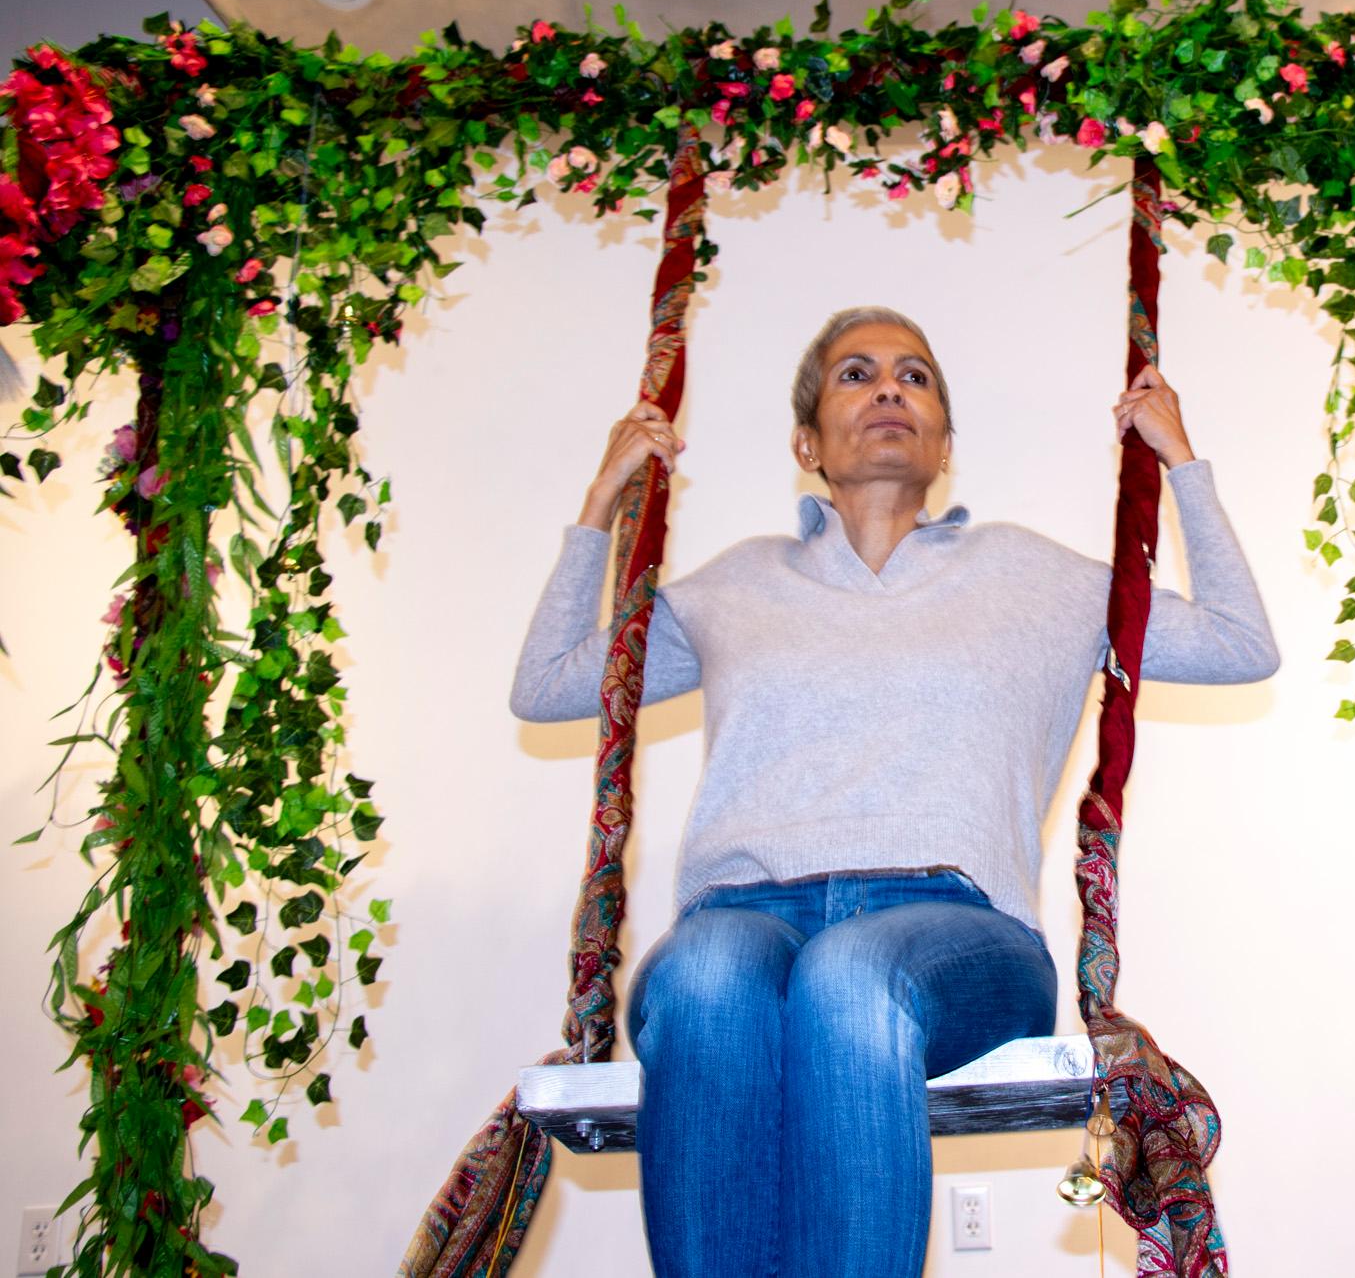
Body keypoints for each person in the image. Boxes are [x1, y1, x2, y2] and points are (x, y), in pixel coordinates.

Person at [508, 306, 1279, 1278]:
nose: (887, 389)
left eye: (914, 377)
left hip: (954, 931)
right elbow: (548, 688)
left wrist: (1180, 462)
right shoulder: (734, 587)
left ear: (944, 444)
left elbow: (1239, 646)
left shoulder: (1034, 576)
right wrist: (599, 503)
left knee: (850, 978)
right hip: (745, 916)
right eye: (856, 375)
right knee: (703, 983)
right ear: (806, 442)